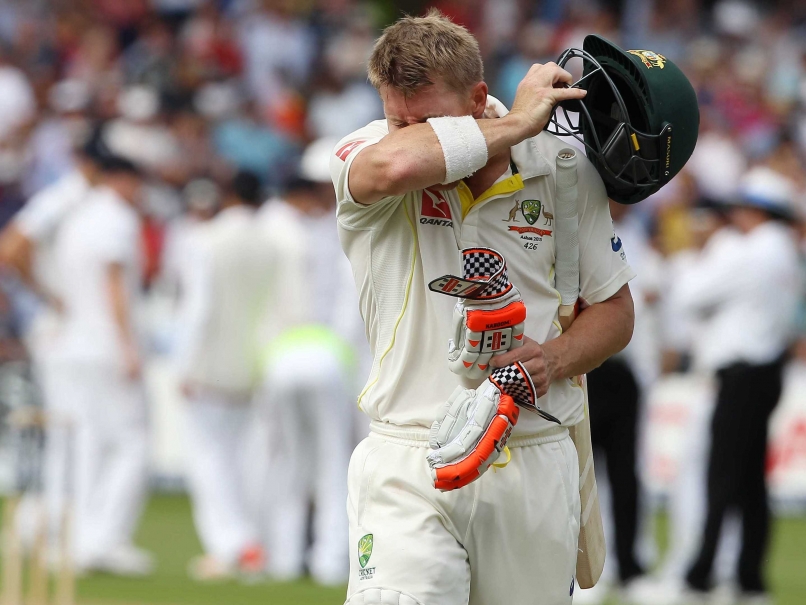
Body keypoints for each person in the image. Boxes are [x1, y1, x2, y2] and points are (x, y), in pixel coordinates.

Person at [329, 12, 637, 604]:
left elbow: (615, 312)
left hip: (532, 452)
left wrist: (553, 359)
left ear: (476, 98)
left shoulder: (565, 170)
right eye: (399, 119)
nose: (411, 133)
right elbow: (398, 163)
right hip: (407, 453)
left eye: (428, 120)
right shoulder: (367, 152)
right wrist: (521, 121)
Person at [656, 167, 801, 605]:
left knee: (720, 480)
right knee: (752, 483)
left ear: (757, 212)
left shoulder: (748, 250)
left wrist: (706, 250)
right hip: (766, 372)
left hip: (739, 376)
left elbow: (689, 295)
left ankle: (700, 578)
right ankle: (748, 579)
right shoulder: (787, 254)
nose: (734, 216)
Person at [261, 139, 361, 586]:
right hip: (327, 357)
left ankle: (284, 558)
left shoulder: (273, 225)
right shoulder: (346, 227)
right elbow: (352, 309)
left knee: (289, 461)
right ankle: (327, 560)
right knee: (331, 460)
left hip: (282, 357)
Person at [49, 149, 152, 576]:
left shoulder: (77, 216)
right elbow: (113, 281)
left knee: (83, 445)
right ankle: (102, 540)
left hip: (72, 342)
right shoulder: (117, 217)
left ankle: (73, 542)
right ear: (123, 179)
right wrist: (127, 346)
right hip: (106, 347)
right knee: (132, 443)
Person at [177, 171, 285, 580]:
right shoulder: (269, 244)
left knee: (209, 458)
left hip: (211, 365)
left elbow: (197, 308)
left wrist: (185, 364)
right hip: (254, 364)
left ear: (226, 195)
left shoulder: (205, 239)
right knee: (243, 457)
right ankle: (251, 542)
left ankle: (231, 546)